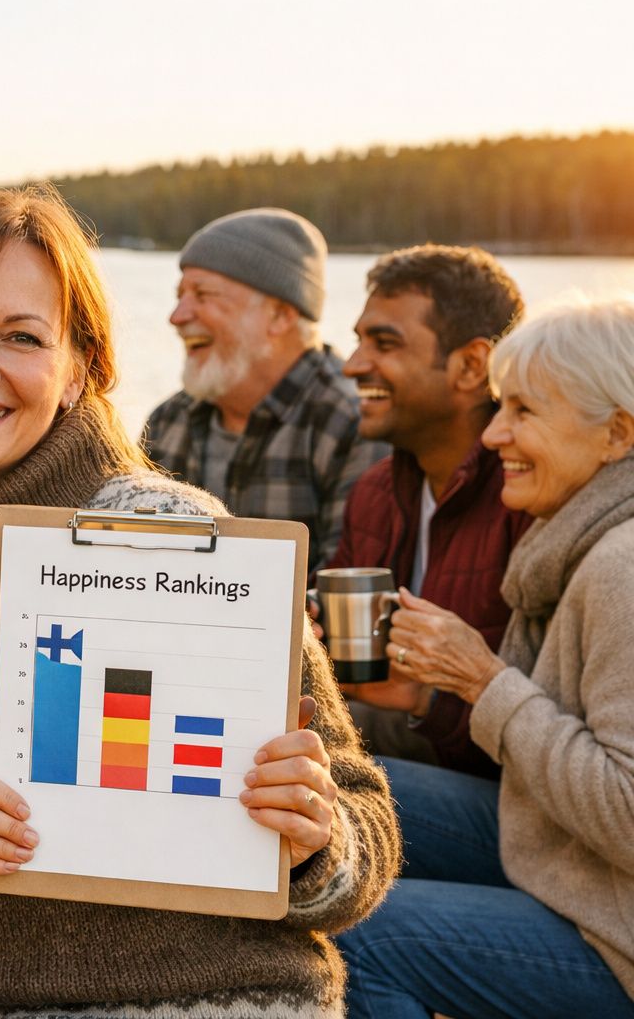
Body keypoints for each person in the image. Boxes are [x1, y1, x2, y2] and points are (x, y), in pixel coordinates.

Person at [0, 185, 400, 1017]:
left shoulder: (190, 542)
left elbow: (363, 833)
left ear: (76, 371)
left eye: (22, 337)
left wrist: (315, 839)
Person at [335, 299, 634, 1019]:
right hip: (571, 861)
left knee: (351, 933)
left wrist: (486, 680)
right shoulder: (574, 538)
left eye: (525, 412)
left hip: (614, 933)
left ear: (616, 434)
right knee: (343, 793)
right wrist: (430, 699)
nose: (495, 434)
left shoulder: (622, 567)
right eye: (501, 408)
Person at [327, 245, 531, 777]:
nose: (352, 365)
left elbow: (548, 728)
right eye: (357, 340)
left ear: (471, 366)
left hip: (516, 808)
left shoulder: (528, 498)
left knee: (326, 799)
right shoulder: (374, 492)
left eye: (384, 343)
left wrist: (426, 701)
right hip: (399, 759)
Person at [144, 207, 386, 569]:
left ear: (279, 315)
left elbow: (342, 589)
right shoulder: (168, 421)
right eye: (180, 295)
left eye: (202, 294)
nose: (177, 316)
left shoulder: (351, 420)